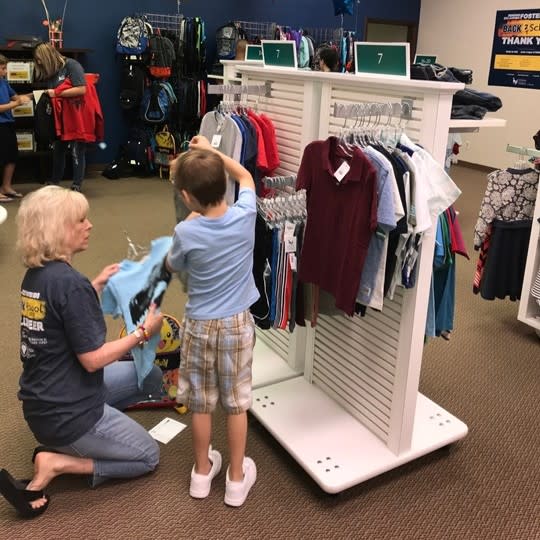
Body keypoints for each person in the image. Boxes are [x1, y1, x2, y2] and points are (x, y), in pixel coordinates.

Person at [0, 186, 164, 519]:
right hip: (68, 414)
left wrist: (96, 285)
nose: (89, 225)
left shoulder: (38, 277)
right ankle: (59, 462)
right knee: (148, 456)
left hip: (47, 401)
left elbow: (59, 316)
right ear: (58, 229)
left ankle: (91, 434)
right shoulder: (69, 284)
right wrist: (144, 332)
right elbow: (94, 359)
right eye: (80, 220)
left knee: (150, 375)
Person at [166, 135, 259, 507]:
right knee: (237, 403)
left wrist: (189, 221)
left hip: (199, 325)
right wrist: (213, 152)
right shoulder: (245, 215)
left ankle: (202, 473)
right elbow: (248, 178)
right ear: (225, 184)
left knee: (202, 403)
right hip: (237, 325)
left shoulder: (185, 231)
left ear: (187, 197)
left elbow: (174, 266)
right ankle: (236, 479)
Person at [33, 43, 87, 192]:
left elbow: (82, 89)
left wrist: (57, 93)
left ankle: (77, 185)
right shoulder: (51, 71)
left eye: (39, 59)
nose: (38, 63)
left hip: (76, 114)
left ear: (47, 56)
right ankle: (55, 181)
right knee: (58, 149)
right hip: (60, 117)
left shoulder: (72, 65)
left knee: (77, 150)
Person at [0, 53, 31, 202]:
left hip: (8, 124)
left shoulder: (4, 83)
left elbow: (15, 96)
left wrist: (28, 96)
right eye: (3, 68)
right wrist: (17, 103)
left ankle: (6, 187)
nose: (5, 72)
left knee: (11, 156)